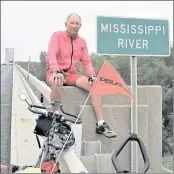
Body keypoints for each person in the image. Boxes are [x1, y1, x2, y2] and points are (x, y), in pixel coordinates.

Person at [45, 13, 117, 138]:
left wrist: (92, 75)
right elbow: (51, 55)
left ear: (80, 26)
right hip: (55, 71)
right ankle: (55, 116)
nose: (74, 26)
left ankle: (101, 124)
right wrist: (56, 70)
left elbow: (86, 62)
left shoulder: (82, 42)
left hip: (71, 74)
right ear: (66, 24)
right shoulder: (57, 36)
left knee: (94, 85)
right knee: (56, 81)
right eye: (72, 23)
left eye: (77, 23)